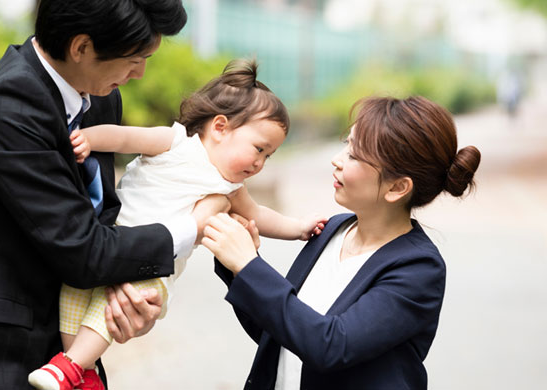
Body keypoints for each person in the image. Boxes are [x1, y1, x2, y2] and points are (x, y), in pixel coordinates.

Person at [0, 1, 227, 389]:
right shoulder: (6, 109)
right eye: (134, 59)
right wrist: (192, 226)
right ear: (81, 48)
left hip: (64, 339)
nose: (140, 74)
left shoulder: (99, 95)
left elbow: (103, 215)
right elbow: (84, 249)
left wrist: (125, 296)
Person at [28, 59, 328, 390]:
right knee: (74, 291)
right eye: (259, 148)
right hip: (109, 242)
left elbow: (258, 214)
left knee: (109, 311)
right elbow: (125, 139)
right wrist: (88, 137)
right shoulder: (174, 142)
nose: (259, 162)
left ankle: (68, 367)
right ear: (219, 127)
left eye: (268, 156)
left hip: (151, 270)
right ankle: (78, 368)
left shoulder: (229, 187)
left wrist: (299, 228)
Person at [202, 95, 482, 389]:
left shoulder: (419, 269)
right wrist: (235, 263)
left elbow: (331, 346)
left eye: (354, 155)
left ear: (397, 187)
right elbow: (282, 331)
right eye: (346, 144)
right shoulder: (332, 229)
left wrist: (250, 265)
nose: (336, 159)